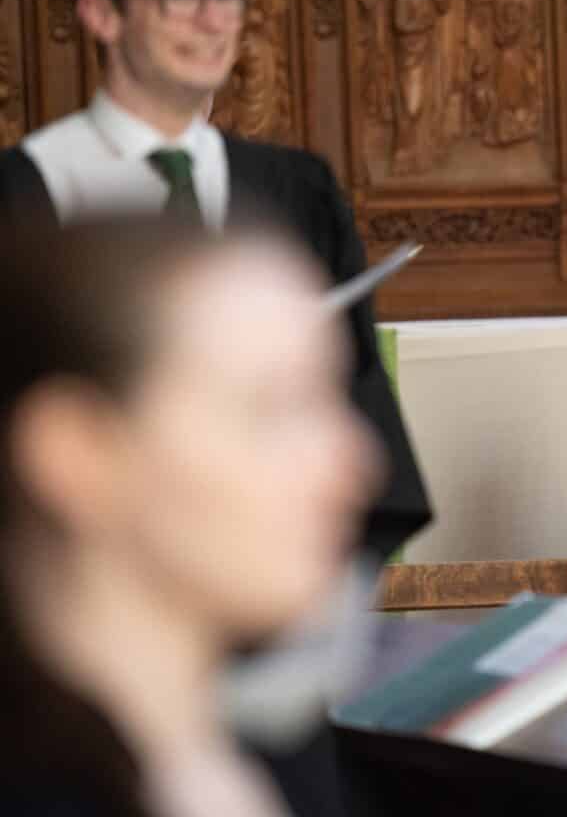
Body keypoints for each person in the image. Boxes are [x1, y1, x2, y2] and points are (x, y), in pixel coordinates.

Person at [0, 0, 428, 562]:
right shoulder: (21, 195)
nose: (213, 20)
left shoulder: (295, 190)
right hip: (78, 578)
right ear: (101, 13)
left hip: (268, 577)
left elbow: (356, 403)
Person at [0, 219, 379, 817]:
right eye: (274, 408)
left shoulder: (285, 760)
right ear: (79, 453)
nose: (359, 463)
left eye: (329, 397)